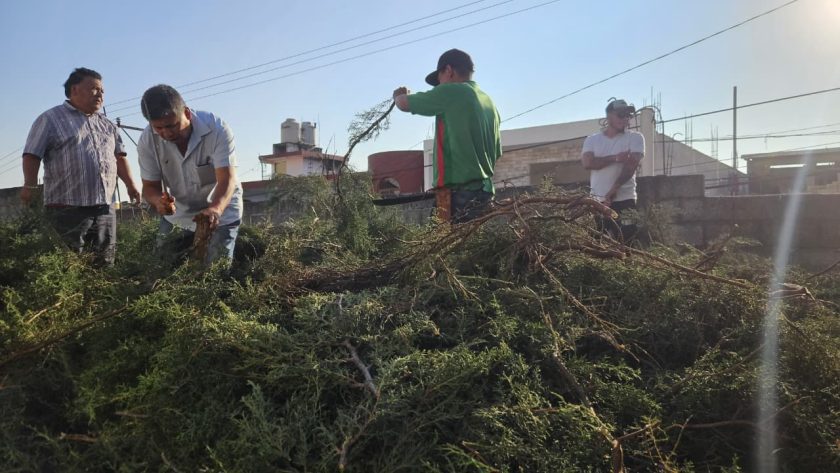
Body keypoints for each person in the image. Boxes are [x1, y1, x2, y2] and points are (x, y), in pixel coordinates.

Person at [21, 67, 141, 266]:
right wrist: (30, 186)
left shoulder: (107, 125)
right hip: (67, 208)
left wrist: (131, 185)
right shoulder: (50, 119)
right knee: (69, 265)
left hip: (104, 208)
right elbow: (32, 155)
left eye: (102, 90)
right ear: (74, 89)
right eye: (94, 89)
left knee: (104, 264)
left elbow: (119, 158)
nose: (100, 94)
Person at [392, 48, 501, 223]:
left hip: (458, 197)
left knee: (445, 241)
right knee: (476, 240)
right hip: (485, 193)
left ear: (449, 70)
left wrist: (398, 95)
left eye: (439, 80)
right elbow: (496, 153)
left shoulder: (453, 91)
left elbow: (403, 104)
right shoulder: (489, 103)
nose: (439, 87)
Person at [136, 84, 242, 264]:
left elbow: (227, 179)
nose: (167, 133)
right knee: (162, 266)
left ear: (186, 113)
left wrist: (215, 209)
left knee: (216, 270)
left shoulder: (217, 129)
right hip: (178, 215)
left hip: (221, 210)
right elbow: (149, 187)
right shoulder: (147, 141)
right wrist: (158, 202)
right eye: (158, 128)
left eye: (172, 125)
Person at [581, 99, 645, 242]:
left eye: (628, 115)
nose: (625, 118)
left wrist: (614, 189)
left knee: (627, 243)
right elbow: (588, 163)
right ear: (609, 116)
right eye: (621, 114)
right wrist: (616, 158)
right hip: (597, 202)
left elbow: (631, 165)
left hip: (625, 201)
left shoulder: (635, 138)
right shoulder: (592, 140)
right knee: (595, 244)